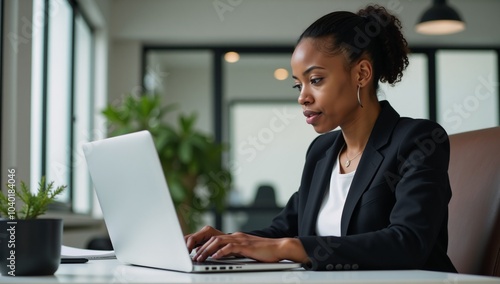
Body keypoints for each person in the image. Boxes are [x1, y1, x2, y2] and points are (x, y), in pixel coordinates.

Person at [185, 5, 457, 272]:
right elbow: (282, 229)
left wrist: (289, 248)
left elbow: (408, 242)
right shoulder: (321, 151)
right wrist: (228, 242)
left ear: (361, 73)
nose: (302, 97)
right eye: (298, 84)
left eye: (315, 80)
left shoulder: (417, 140)